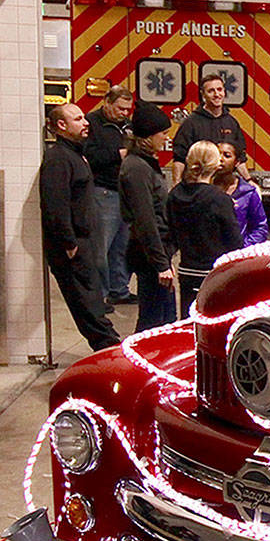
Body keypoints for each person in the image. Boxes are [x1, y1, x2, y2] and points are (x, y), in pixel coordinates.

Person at [39, 104, 121, 352]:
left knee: (93, 299)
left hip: (83, 242)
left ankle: (110, 346)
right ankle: (108, 349)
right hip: (71, 247)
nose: (85, 122)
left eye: (84, 116)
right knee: (87, 304)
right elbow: (55, 205)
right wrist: (69, 243)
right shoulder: (58, 159)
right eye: (77, 119)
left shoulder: (75, 154)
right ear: (61, 126)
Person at [169, 141, 243, 317]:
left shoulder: (175, 195)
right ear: (215, 164)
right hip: (214, 273)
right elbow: (235, 241)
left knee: (188, 320)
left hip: (186, 270)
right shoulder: (219, 199)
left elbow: (170, 232)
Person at [121, 101, 177, 331]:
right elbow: (145, 220)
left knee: (166, 319)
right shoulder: (137, 168)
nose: (165, 138)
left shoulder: (145, 164)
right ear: (148, 136)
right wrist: (161, 264)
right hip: (149, 257)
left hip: (158, 253)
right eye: (163, 133)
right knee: (152, 322)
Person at [82, 85, 137, 306]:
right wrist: (117, 155)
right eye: (120, 108)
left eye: (127, 109)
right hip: (103, 192)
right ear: (107, 102)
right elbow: (88, 156)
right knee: (100, 249)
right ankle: (99, 296)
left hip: (124, 193)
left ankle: (119, 289)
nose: (124, 113)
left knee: (121, 247)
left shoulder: (127, 126)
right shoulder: (91, 124)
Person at [171, 72, 248, 185]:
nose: (217, 94)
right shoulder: (191, 123)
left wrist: (248, 180)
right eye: (211, 91)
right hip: (197, 185)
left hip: (225, 185)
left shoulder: (231, 122)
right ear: (203, 95)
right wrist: (176, 184)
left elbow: (240, 157)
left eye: (219, 89)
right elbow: (179, 158)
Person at [215, 138, 268, 247]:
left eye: (227, 155)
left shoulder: (248, 193)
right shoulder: (203, 190)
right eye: (216, 154)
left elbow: (260, 228)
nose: (220, 159)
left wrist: (243, 248)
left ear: (237, 162)